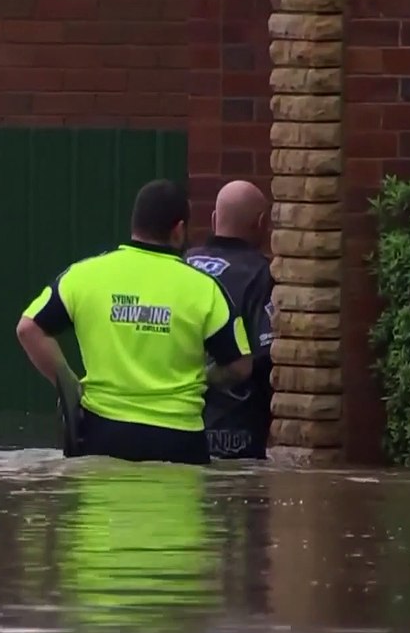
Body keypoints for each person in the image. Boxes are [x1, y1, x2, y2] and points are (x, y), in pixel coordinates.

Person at [14, 179, 254, 465]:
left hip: (102, 433)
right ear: (179, 230)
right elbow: (241, 366)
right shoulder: (206, 288)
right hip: (179, 440)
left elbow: (28, 329)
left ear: (135, 224)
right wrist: (203, 378)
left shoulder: (84, 275)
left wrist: (70, 385)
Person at [185, 180, 275, 460]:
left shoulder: (181, 265)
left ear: (214, 220)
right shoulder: (262, 276)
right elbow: (265, 356)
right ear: (261, 223)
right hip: (236, 437)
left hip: (178, 430)